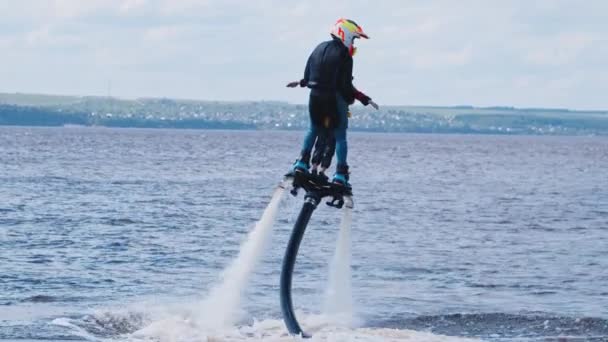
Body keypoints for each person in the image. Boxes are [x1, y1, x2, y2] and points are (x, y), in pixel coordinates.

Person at [286, 18, 379, 187]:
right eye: (354, 38)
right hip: (334, 98)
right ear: (346, 35)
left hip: (314, 97)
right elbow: (345, 85)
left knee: (313, 129)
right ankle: (340, 174)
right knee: (340, 135)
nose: (354, 42)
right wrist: (358, 99)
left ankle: (302, 163)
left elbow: (307, 75)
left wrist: (301, 83)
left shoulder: (318, 48)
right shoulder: (345, 55)